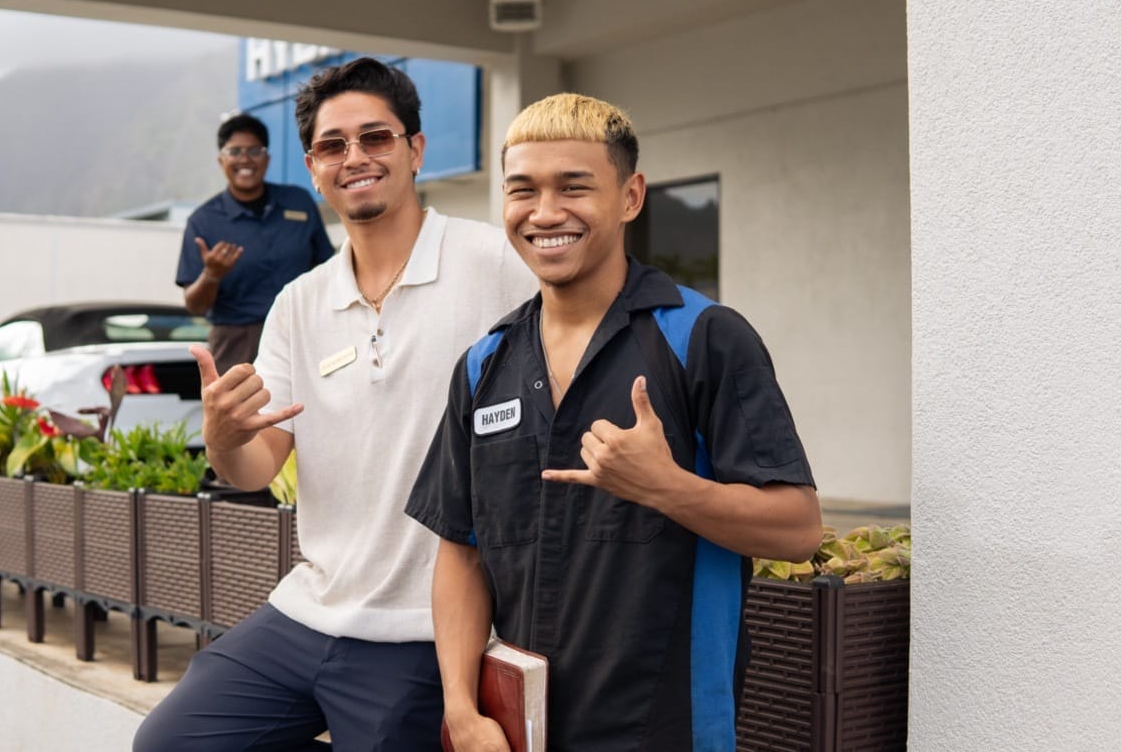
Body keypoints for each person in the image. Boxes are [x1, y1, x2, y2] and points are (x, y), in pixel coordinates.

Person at [135, 58, 536, 752]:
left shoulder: (497, 264)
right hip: (310, 609)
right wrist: (224, 434)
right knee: (171, 744)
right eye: (332, 145)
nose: (354, 157)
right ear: (315, 168)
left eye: (376, 138)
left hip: (425, 630)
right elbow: (257, 468)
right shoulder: (300, 302)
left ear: (415, 150)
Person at [406, 93, 824, 751]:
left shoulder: (703, 338)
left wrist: (666, 487)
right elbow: (460, 550)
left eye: (574, 187)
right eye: (523, 191)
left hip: (665, 728)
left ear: (630, 197)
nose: (545, 213)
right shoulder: (485, 365)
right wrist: (461, 708)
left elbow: (799, 529)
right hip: (523, 730)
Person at [176, 112, 335, 374]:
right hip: (237, 344)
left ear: (267, 158)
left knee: (311, 412)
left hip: (303, 332)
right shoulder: (202, 222)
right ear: (221, 160)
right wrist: (211, 275)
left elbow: (328, 269)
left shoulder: (299, 202)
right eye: (235, 151)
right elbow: (194, 305)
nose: (245, 159)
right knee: (241, 414)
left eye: (254, 150)